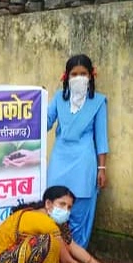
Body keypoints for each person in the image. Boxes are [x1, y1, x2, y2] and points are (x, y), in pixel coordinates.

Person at [46, 54, 109, 248]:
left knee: (80, 210)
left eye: (83, 73)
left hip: (84, 162)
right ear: (66, 77)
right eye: (75, 74)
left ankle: (78, 253)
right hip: (60, 159)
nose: (79, 78)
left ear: (91, 76)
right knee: (55, 204)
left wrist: (102, 168)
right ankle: (55, 251)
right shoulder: (59, 98)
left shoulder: (98, 102)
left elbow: (101, 137)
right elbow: (44, 123)